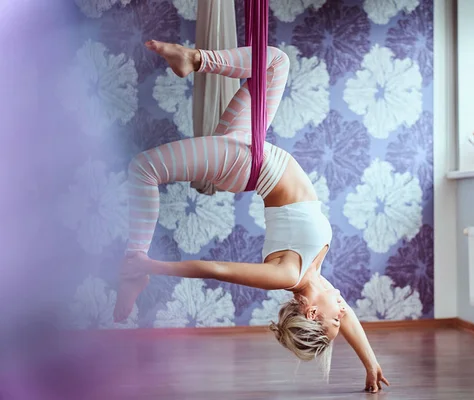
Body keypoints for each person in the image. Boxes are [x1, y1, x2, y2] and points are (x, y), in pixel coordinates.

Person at [113, 40, 390, 393]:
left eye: (335, 316)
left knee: (143, 168)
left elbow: (216, 269)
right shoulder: (316, 280)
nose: (343, 307)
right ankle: (193, 59)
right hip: (248, 149)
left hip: (245, 164)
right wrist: (371, 363)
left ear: (312, 314)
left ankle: (132, 265)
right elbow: (347, 320)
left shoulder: (288, 274)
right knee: (275, 62)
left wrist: (150, 265)